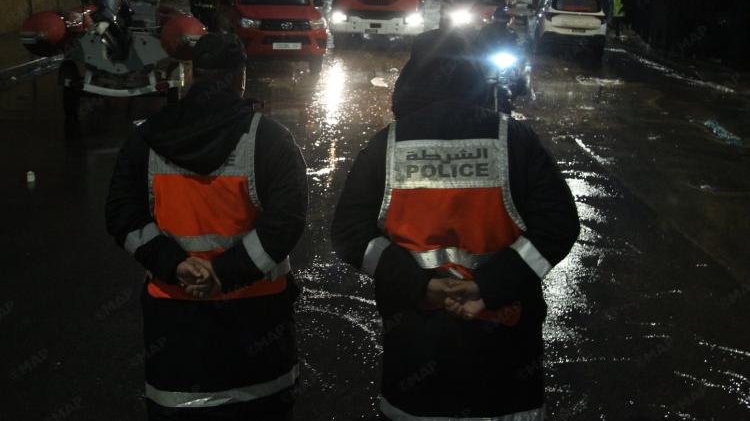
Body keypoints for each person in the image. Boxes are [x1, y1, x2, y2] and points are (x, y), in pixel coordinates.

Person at [331, 29, 580, 420]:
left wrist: (421, 286)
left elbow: (349, 234)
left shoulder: (386, 146)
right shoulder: (515, 141)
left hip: (415, 357)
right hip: (505, 359)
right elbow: (558, 226)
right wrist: (489, 286)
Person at [105, 33, 308, 421]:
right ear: (240, 78)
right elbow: (286, 223)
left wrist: (175, 263)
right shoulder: (269, 140)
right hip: (258, 332)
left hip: (175, 332)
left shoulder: (146, 138)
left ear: (193, 74)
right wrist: (225, 274)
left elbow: (121, 214)